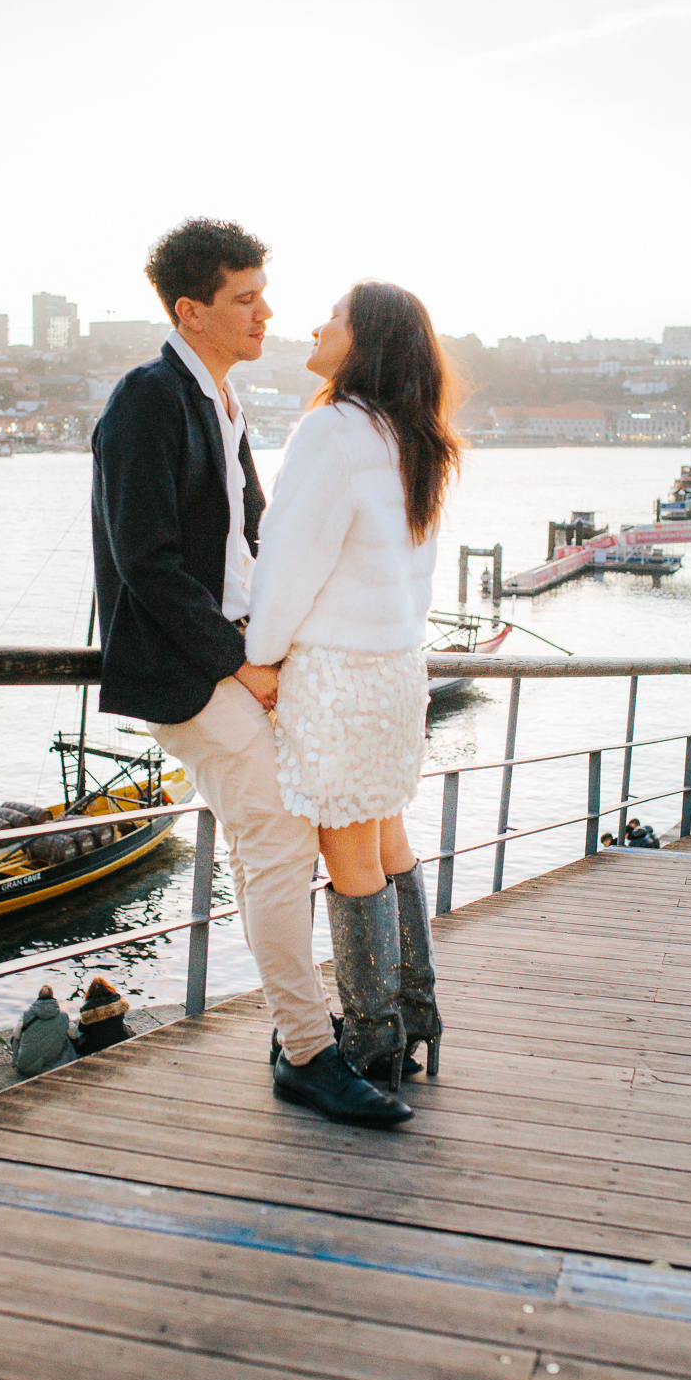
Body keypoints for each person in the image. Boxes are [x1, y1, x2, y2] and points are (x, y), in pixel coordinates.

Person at [91, 218, 411, 1129]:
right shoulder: (147, 400)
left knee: (283, 839)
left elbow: (258, 545)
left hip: (238, 659)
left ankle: (305, 1035)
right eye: (246, 299)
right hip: (191, 672)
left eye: (264, 294)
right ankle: (308, 1053)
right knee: (278, 838)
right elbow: (145, 561)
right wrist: (241, 662)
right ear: (192, 311)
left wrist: (288, 645)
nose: (268, 312)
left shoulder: (224, 402)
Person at [246, 281, 462, 1093]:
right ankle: (415, 1012)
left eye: (332, 316)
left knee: (349, 855)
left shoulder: (331, 431)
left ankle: (372, 1036)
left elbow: (290, 563)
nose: (315, 324)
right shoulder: (417, 437)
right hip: (398, 669)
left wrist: (263, 656)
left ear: (363, 339)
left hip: (337, 674)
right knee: (385, 839)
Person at [11, 985, 78, 1076]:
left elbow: (16, 1035)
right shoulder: (63, 1016)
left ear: (38, 997)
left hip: (26, 1068)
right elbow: (74, 1034)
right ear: (53, 998)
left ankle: (17, 1062)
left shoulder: (27, 1015)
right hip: (55, 1067)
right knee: (68, 1037)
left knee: (14, 1039)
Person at [76, 976, 134, 1056]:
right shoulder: (117, 1002)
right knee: (122, 1020)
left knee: (80, 1030)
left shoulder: (88, 1009)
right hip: (119, 1038)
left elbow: (82, 1029)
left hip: (97, 1046)